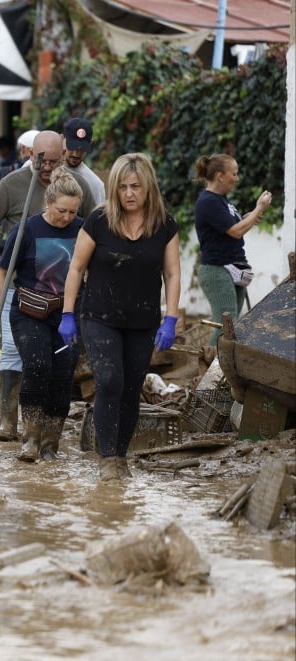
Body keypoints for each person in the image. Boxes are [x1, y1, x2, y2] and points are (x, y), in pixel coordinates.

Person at [60, 153, 181, 482]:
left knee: (130, 389)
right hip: (99, 316)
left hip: (142, 321)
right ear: (114, 188)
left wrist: (170, 318)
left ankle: (122, 454)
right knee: (110, 381)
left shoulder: (164, 226)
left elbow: (172, 274)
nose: (129, 193)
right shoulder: (99, 221)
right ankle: (108, 457)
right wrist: (67, 313)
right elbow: (76, 268)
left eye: (136, 187)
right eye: (123, 187)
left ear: (148, 188)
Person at [0, 130, 97, 441]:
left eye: (56, 160)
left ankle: (45, 430)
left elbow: (93, 228)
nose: (49, 166)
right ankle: (9, 423)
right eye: (44, 160)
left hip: (63, 293)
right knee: (14, 354)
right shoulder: (13, 184)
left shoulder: (76, 186)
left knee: (55, 363)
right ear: (31, 155)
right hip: (19, 282)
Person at [0, 168, 84, 462]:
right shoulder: (27, 229)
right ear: (47, 202)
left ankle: (51, 443)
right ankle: (30, 439)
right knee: (38, 365)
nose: (66, 217)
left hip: (66, 313)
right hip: (28, 311)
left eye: (72, 212)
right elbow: (3, 270)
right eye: (61, 210)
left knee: (63, 374)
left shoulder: (83, 230)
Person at [193, 153, 272, 345]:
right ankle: (210, 371)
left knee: (232, 326)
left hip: (232, 268)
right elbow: (236, 232)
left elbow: (235, 227)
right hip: (217, 269)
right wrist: (259, 209)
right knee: (224, 327)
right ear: (220, 175)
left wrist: (253, 214)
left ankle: (221, 371)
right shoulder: (208, 201)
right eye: (234, 174)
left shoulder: (221, 200)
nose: (236, 178)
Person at [62, 117, 105, 205]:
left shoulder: (94, 184)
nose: (76, 154)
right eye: (72, 146)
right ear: (62, 139)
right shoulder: (45, 168)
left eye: (82, 149)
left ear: (91, 143)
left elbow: (98, 217)